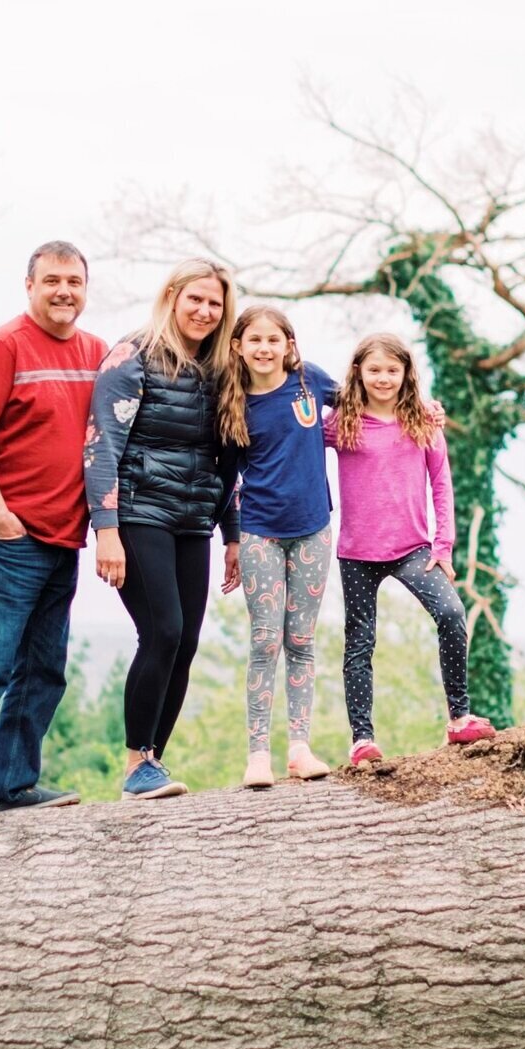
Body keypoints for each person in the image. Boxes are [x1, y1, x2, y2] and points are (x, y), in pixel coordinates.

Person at [0, 241, 106, 824]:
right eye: (52, 280)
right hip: (7, 533)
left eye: (75, 281)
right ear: (29, 285)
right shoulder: (3, 346)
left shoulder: (96, 353)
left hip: (64, 535)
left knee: (44, 667)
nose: (64, 291)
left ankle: (14, 783)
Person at [83, 258, 243, 800]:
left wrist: (233, 535)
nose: (204, 310)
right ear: (172, 296)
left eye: (214, 303)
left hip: (194, 518)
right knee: (163, 631)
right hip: (138, 512)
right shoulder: (135, 356)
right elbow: (102, 444)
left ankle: (154, 760)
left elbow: (228, 459)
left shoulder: (223, 369)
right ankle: (134, 765)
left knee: (188, 641)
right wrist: (106, 530)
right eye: (195, 298)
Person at [326, 332, 496, 764]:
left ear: (406, 374)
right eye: (374, 370)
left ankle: (460, 717)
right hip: (357, 552)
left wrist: (444, 545)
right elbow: (297, 444)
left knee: (452, 613)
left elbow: (441, 483)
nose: (383, 378)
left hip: (414, 548)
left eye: (392, 370)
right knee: (360, 643)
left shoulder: (422, 421)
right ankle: (362, 739)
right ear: (359, 373)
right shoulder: (342, 422)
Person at [224, 305, 340, 790]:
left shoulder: (310, 381)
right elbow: (225, 478)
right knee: (265, 640)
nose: (265, 348)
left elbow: (365, 402)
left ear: (289, 344)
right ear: (239, 347)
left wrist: (420, 409)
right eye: (255, 340)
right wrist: (230, 539)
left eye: (275, 339)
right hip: (260, 532)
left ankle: (299, 747)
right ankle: (257, 755)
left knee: (301, 641)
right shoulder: (233, 404)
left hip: (313, 528)